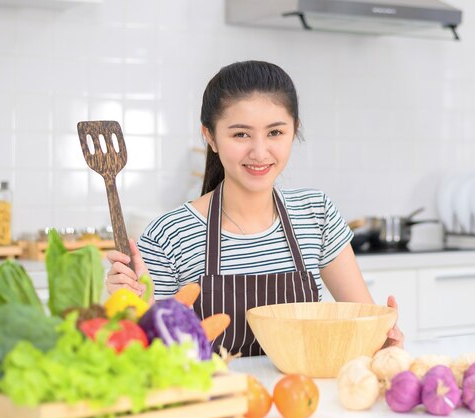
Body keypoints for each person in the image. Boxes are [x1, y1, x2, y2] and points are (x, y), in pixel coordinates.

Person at [106, 60, 404, 356]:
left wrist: (383, 342)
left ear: (294, 130)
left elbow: (365, 327)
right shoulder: (169, 235)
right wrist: (134, 307)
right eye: (241, 134)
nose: (260, 153)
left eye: (275, 133)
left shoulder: (316, 214)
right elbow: (144, 355)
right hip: (215, 399)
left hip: (303, 398)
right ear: (210, 136)